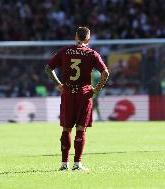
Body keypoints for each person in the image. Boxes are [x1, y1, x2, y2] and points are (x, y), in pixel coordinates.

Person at [45, 27, 109, 171]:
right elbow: (105, 73)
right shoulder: (92, 54)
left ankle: (63, 163)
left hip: (67, 92)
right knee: (81, 128)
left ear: (75, 37)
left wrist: (58, 84)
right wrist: (96, 89)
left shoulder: (64, 51)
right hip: (84, 93)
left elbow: (48, 68)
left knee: (66, 128)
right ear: (88, 39)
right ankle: (77, 163)